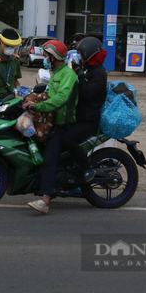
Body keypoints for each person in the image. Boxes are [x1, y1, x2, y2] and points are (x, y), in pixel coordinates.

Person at [22, 40, 78, 215]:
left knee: (49, 159)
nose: (45, 59)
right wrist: (34, 97)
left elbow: (61, 98)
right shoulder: (56, 73)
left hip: (64, 124)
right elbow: (49, 94)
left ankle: (45, 200)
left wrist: (37, 107)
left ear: (54, 57)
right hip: (54, 121)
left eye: (46, 56)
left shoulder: (67, 74)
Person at [62, 37, 108, 183]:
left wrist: (80, 74)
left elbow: (87, 92)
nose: (80, 58)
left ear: (88, 54)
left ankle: (87, 168)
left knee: (67, 140)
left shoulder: (99, 73)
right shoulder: (91, 70)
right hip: (81, 117)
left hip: (89, 120)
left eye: (81, 55)